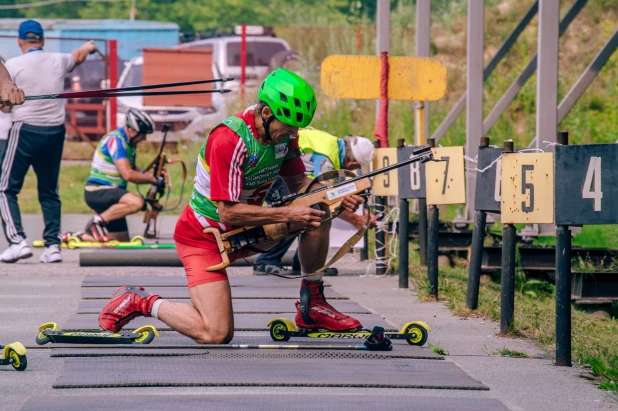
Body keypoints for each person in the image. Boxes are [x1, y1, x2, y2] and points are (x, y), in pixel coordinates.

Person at [98, 68, 365, 343]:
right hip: (204, 238)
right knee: (216, 333)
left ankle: (313, 303)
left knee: (319, 210)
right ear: (266, 114)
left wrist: (335, 194)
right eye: (287, 127)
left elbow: (299, 181)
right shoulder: (229, 140)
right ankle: (139, 300)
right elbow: (229, 211)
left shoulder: (284, 136)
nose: (292, 133)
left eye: (296, 128)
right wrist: (288, 212)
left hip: (247, 231)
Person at [0, 20, 96, 263]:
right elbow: (78, 56)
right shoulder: (58, 60)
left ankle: (17, 240)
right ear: (42, 40)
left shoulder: (12, 65)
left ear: (19, 41)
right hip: (54, 132)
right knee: (49, 192)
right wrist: (88, 47)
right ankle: (53, 246)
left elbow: (6, 105)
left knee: (4, 188)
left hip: (25, 130)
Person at [253, 128, 377, 277]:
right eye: (357, 167)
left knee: (308, 211)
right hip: (272, 170)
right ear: (353, 163)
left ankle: (302, 264)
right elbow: (323, 198)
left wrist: (359, 212)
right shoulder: (327, 159)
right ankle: (267, 261)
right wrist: (357, 220)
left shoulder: (330, 142)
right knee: (297, 212)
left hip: (270, 164)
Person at [67, 108, 163, 243]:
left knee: (120, 241)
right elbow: (128, 174)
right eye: (142, 134)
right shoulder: (116, 140)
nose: (144, 138)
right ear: (132, 130)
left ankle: (77, 236)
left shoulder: (129, 143)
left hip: (112, 194)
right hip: (98, 191)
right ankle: (96, 222)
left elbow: (134, 169)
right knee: (136, 203)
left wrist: (156, 178)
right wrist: (152, 179)